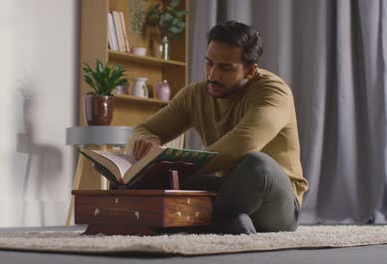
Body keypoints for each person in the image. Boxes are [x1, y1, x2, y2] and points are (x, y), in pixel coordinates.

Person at [126, 20, 309, 234]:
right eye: (209, 63)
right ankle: (224, 223)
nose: (212, 75)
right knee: (153, 178)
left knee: (258, 165)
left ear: (250, 71)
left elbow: (242, 145)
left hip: (273, 201)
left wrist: (173, 165)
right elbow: (141, 130)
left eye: (225, 68)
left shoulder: (274, 92)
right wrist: (149, 141)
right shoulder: (195, 94)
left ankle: (197, 224)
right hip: (228, 193)